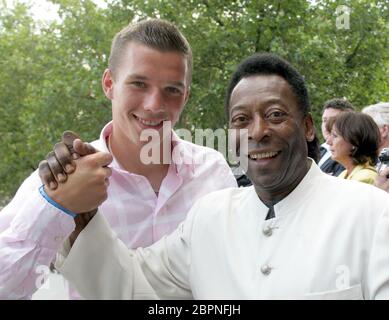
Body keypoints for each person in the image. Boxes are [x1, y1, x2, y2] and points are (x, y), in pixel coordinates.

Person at [44, 53, 389, 299]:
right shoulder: (208, 218)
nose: (257, 131)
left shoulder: (372, 214)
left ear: (308, 127)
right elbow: (132, 286)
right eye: (241, 120)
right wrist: (81, 216)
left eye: (274, 114)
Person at [0, 19, 237, 299]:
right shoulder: (63, 178)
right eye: (139, 83)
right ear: (109, 84)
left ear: (185, 96)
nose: (153, 104)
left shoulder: (214, 173)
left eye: (171, 90)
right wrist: (56, 206)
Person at [326, 112, 380, 185]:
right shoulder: (344, 174)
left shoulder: (365, 178)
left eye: (335, 136)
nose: (328, 142)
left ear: (355, 141)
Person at [318, 98, 354, 176]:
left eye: (333, 120)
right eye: (324, 120)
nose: (326, 125)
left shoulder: (350, 156)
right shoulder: (317, 151)